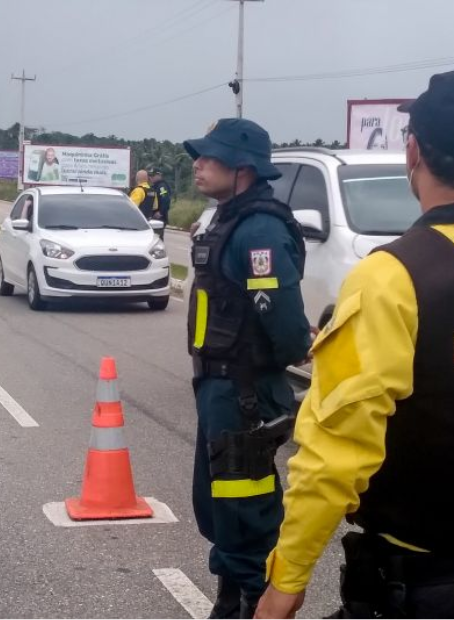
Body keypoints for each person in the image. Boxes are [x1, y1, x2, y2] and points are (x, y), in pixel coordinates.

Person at [255, 71, 454, 620]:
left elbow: (336, 452)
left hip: (424, 580)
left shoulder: (395, 276)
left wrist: (286, 582)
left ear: (413, 152)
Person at [184, 118, 311, 620]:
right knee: (217, 502)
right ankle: (231, 596)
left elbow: (279, 313)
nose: (198, 163)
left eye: (209, 156)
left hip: (244, 392)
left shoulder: (258, 228)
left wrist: (293, 347)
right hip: (216, 386)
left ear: (243, 168)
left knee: (245, 508)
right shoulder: (225, 217)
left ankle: (257, 604)